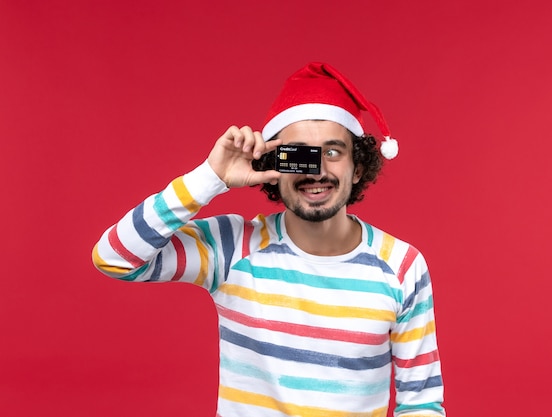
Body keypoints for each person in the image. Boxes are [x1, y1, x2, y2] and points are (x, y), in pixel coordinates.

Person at [92, 62, 445, 417]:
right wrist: (210, 178)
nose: (317, 170)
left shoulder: (402, 267)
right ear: (273, 168)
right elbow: (115, 258)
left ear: (359, 167)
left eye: (333, 152)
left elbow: (422, 405)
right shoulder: (232, 248)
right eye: (299, 155)